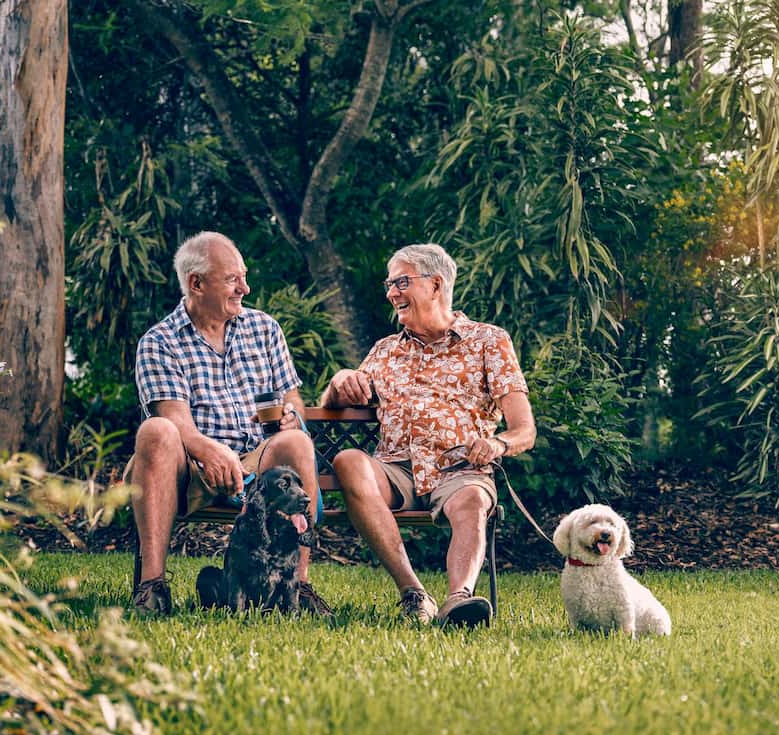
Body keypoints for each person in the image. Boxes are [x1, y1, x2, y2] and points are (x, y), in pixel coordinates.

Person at [320, 243, 535, 628]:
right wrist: (339, 381)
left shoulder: (489, 341)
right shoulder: (384, 350)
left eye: (401, 282)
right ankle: (414, 594)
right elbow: (333, 401)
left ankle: (459, 601)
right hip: (396, 469)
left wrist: (498, 443)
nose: (390, 293)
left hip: (459, 466)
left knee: (472, 497)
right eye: (389, 284)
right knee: (348, 461)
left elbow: (525, 430)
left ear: (436, 285)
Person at [129, 231, 331, 617]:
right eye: (232, 279)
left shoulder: (264, 329)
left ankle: (297, 586)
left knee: (297, 442)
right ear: (197, 284)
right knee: (155, 432)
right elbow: (176, 424)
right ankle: (152, 586)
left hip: (259, 466)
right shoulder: (160, 341)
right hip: (192, 468)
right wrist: (210, 451)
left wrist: (291, 414)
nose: (245, 287)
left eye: (244, 276)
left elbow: (291, 398)